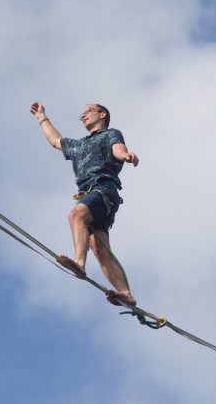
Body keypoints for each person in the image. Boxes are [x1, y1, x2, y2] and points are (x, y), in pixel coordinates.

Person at [30, 101, 139, 306]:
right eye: (81, 115)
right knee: (99, 249)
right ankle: (125, 292)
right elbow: (55, 140)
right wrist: (42, 118)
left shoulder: (110, 134)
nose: (83, 116)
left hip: (103, 190)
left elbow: (117, 147)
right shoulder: (78, 146)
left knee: (76, 216)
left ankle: (79, 263)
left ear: (102, 114)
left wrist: (125, 155)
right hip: (93, 198)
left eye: (88, 111)